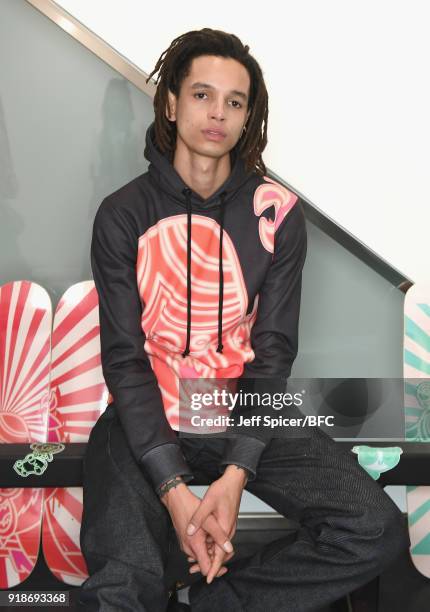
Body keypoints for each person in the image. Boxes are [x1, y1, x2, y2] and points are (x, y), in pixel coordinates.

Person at [79, 27, 410, 612]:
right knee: (120, 586)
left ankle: (218, 605)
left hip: (238, 405)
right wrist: (175, 492)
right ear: (172, 103)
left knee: (374, 528)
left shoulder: (277, 214)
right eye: (203, 95)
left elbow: (274, 348)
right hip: (144, 410)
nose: (218, 113)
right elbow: (124, 358)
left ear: (248, 116)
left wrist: (235, 473)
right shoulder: (122, 215)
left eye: (235, 102)